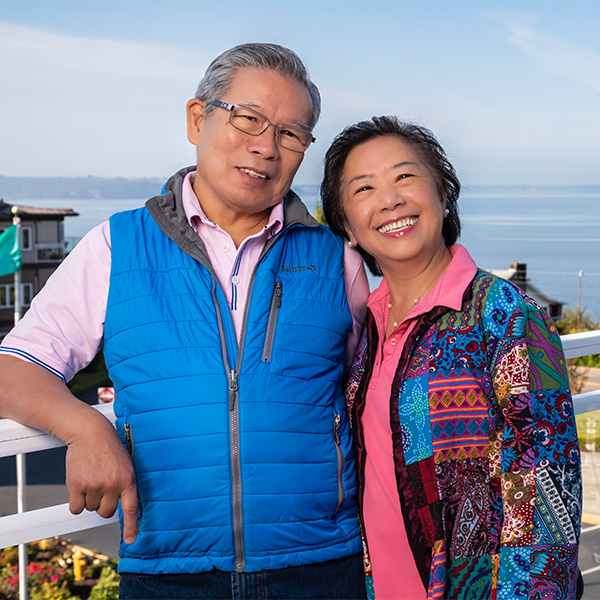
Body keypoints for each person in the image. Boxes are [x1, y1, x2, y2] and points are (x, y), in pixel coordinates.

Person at [0, 43, 369, 599]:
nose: (266, 147)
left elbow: (377, 385)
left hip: (318, 567)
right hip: (167, 571)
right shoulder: (116, 245)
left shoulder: (335, 258)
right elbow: (14, 367)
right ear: (198, 118)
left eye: (290, 134)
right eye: (249, 118)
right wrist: (86, 427)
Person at [321, 116, 582, 599]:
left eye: (405, 176)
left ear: (443, 194)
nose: (390, 199)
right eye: (363, 189)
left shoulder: (504, 315)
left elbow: (548, 491)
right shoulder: (363, 327)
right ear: (348, 229)